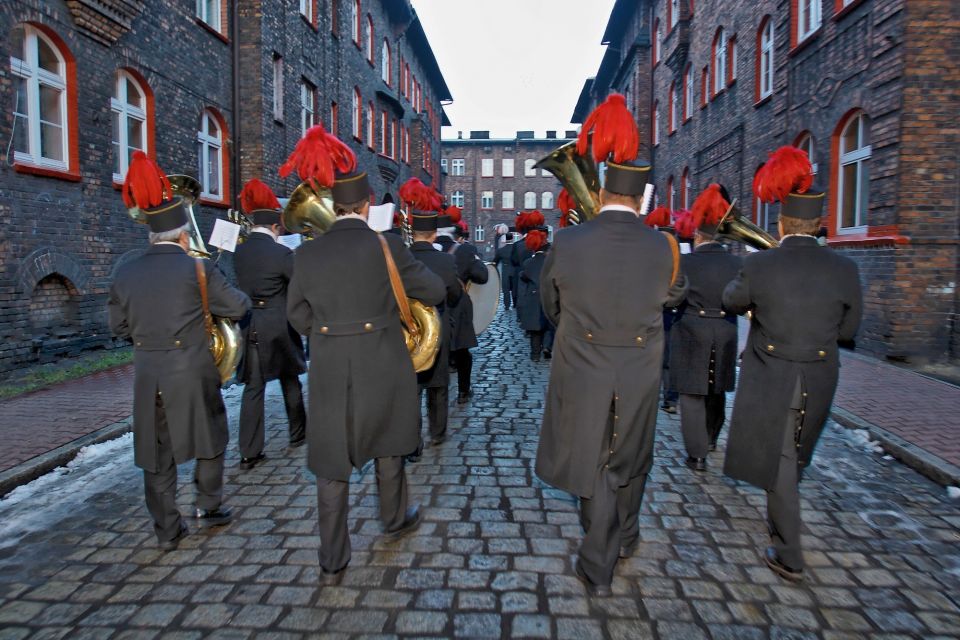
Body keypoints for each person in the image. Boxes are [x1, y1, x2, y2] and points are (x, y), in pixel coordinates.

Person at [535, 94, 687, 595]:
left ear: (600, 195)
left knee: (593, 457)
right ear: (641, 199)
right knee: (630, 451)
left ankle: (596, 561)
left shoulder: (569, 242)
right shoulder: (663, 246)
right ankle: (626, 533)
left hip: (583, 361)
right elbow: (676, 294)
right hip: (641, 366)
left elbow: (550, 303)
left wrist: (578, 330)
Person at [283, 126, 446, 584]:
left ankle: (333, 556)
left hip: (332, 364)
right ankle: (394, 517)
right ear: (366, 206)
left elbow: (296, 313)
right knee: (389, 442)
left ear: (334, 208)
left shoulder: (307, 254)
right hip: (382, 360)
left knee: (331, 460)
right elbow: (432, 289)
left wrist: (329, 334)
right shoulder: (389, 245)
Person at [723, 146, 862, 581]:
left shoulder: (761, 262)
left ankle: (789, 553)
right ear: (819, 223)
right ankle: (783, 518)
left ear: (781, 223)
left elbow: (732, 300)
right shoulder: (844, 267)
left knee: (781, 458)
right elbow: (849, 329)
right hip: (821, 372)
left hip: (773, 371)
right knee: (795, 453)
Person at [109, 152, 250, 551]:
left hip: (148, 372)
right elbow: (238, 307)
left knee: (156, 451)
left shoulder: (125, 270)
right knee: (211, 435)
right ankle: (208, 505)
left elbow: (117, 327)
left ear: (152, 235)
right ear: (184, 235)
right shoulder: (198, 268)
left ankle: (167, 529)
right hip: (191, 369)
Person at [233, 179, 307, 470]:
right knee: (290, 380)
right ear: (276, 227)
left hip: (251, 323)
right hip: (279, 324)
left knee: (253, 388)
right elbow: (298, 285)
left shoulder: (240, 252)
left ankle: (249, 451)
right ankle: (298, 434)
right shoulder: (282, 253)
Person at [669, 185, 743, 471]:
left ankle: (696, 453)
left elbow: (674, 296)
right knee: (717, 389)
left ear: (698, 234)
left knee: (691, 393)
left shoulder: (686, 262)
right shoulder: (737, 262)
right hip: (725, 328)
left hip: (691, 327)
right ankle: (712, 438)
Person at [409, 208, 462, 447]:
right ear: (433, 235)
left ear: (412, 233)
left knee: (411, 385)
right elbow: (454, 293)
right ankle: (437, 433)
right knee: (438, 383)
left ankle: (412, 438)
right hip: (438, 324)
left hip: (407, 329)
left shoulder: (402, 258)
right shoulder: (446, 260)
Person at [443, 209, 489, 404]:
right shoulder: (466, 250)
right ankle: (463, 391)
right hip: (458, 306)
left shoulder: (418, 248)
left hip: (430, 306)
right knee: (462, 350)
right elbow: (482, 277)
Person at [517, 226, 554, 361]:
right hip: (549, 295)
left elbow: (524, 276)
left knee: (535, 330)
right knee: (549, 325)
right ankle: (547, 346)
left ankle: (535, 354)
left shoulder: (528, 262)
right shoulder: (550, 261)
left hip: (533, 297)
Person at [494, 227, 517, 311]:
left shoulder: (501, 250)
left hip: (506, 270)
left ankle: (507, 305)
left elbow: (495, 262)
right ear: (512, 238)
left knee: (506, 289)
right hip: (514, 270)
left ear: (506, 239)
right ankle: (515, 304)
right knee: (515, 287)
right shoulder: (516, 249)